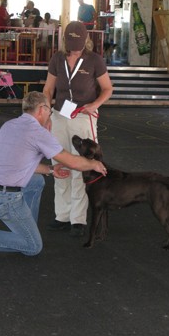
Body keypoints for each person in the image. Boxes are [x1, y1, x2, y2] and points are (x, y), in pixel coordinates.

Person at [0, 91, 107, 257]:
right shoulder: (38, 133)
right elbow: (73, 162)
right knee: (32, 247)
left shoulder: (10, 125)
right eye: (49, 111)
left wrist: (50, 170)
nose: (50, 115)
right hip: (4, 198)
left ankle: (26, 227)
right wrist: (94, 163)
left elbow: (19, 163)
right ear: (41, 109)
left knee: (37, 181)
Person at [43, 21, 113, 237]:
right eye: (72, 43)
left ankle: (78, 220)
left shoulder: (94, 60)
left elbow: (108, 88)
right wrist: (46, 115)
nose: (76, 47)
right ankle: (61, 216)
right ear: (65, 41)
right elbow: (48, 89)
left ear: (86, 41)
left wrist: (95, 104)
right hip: (59, 117)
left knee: (82, 166)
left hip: (83, 118)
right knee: (60, 165)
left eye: (79, 43)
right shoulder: (57, 58)